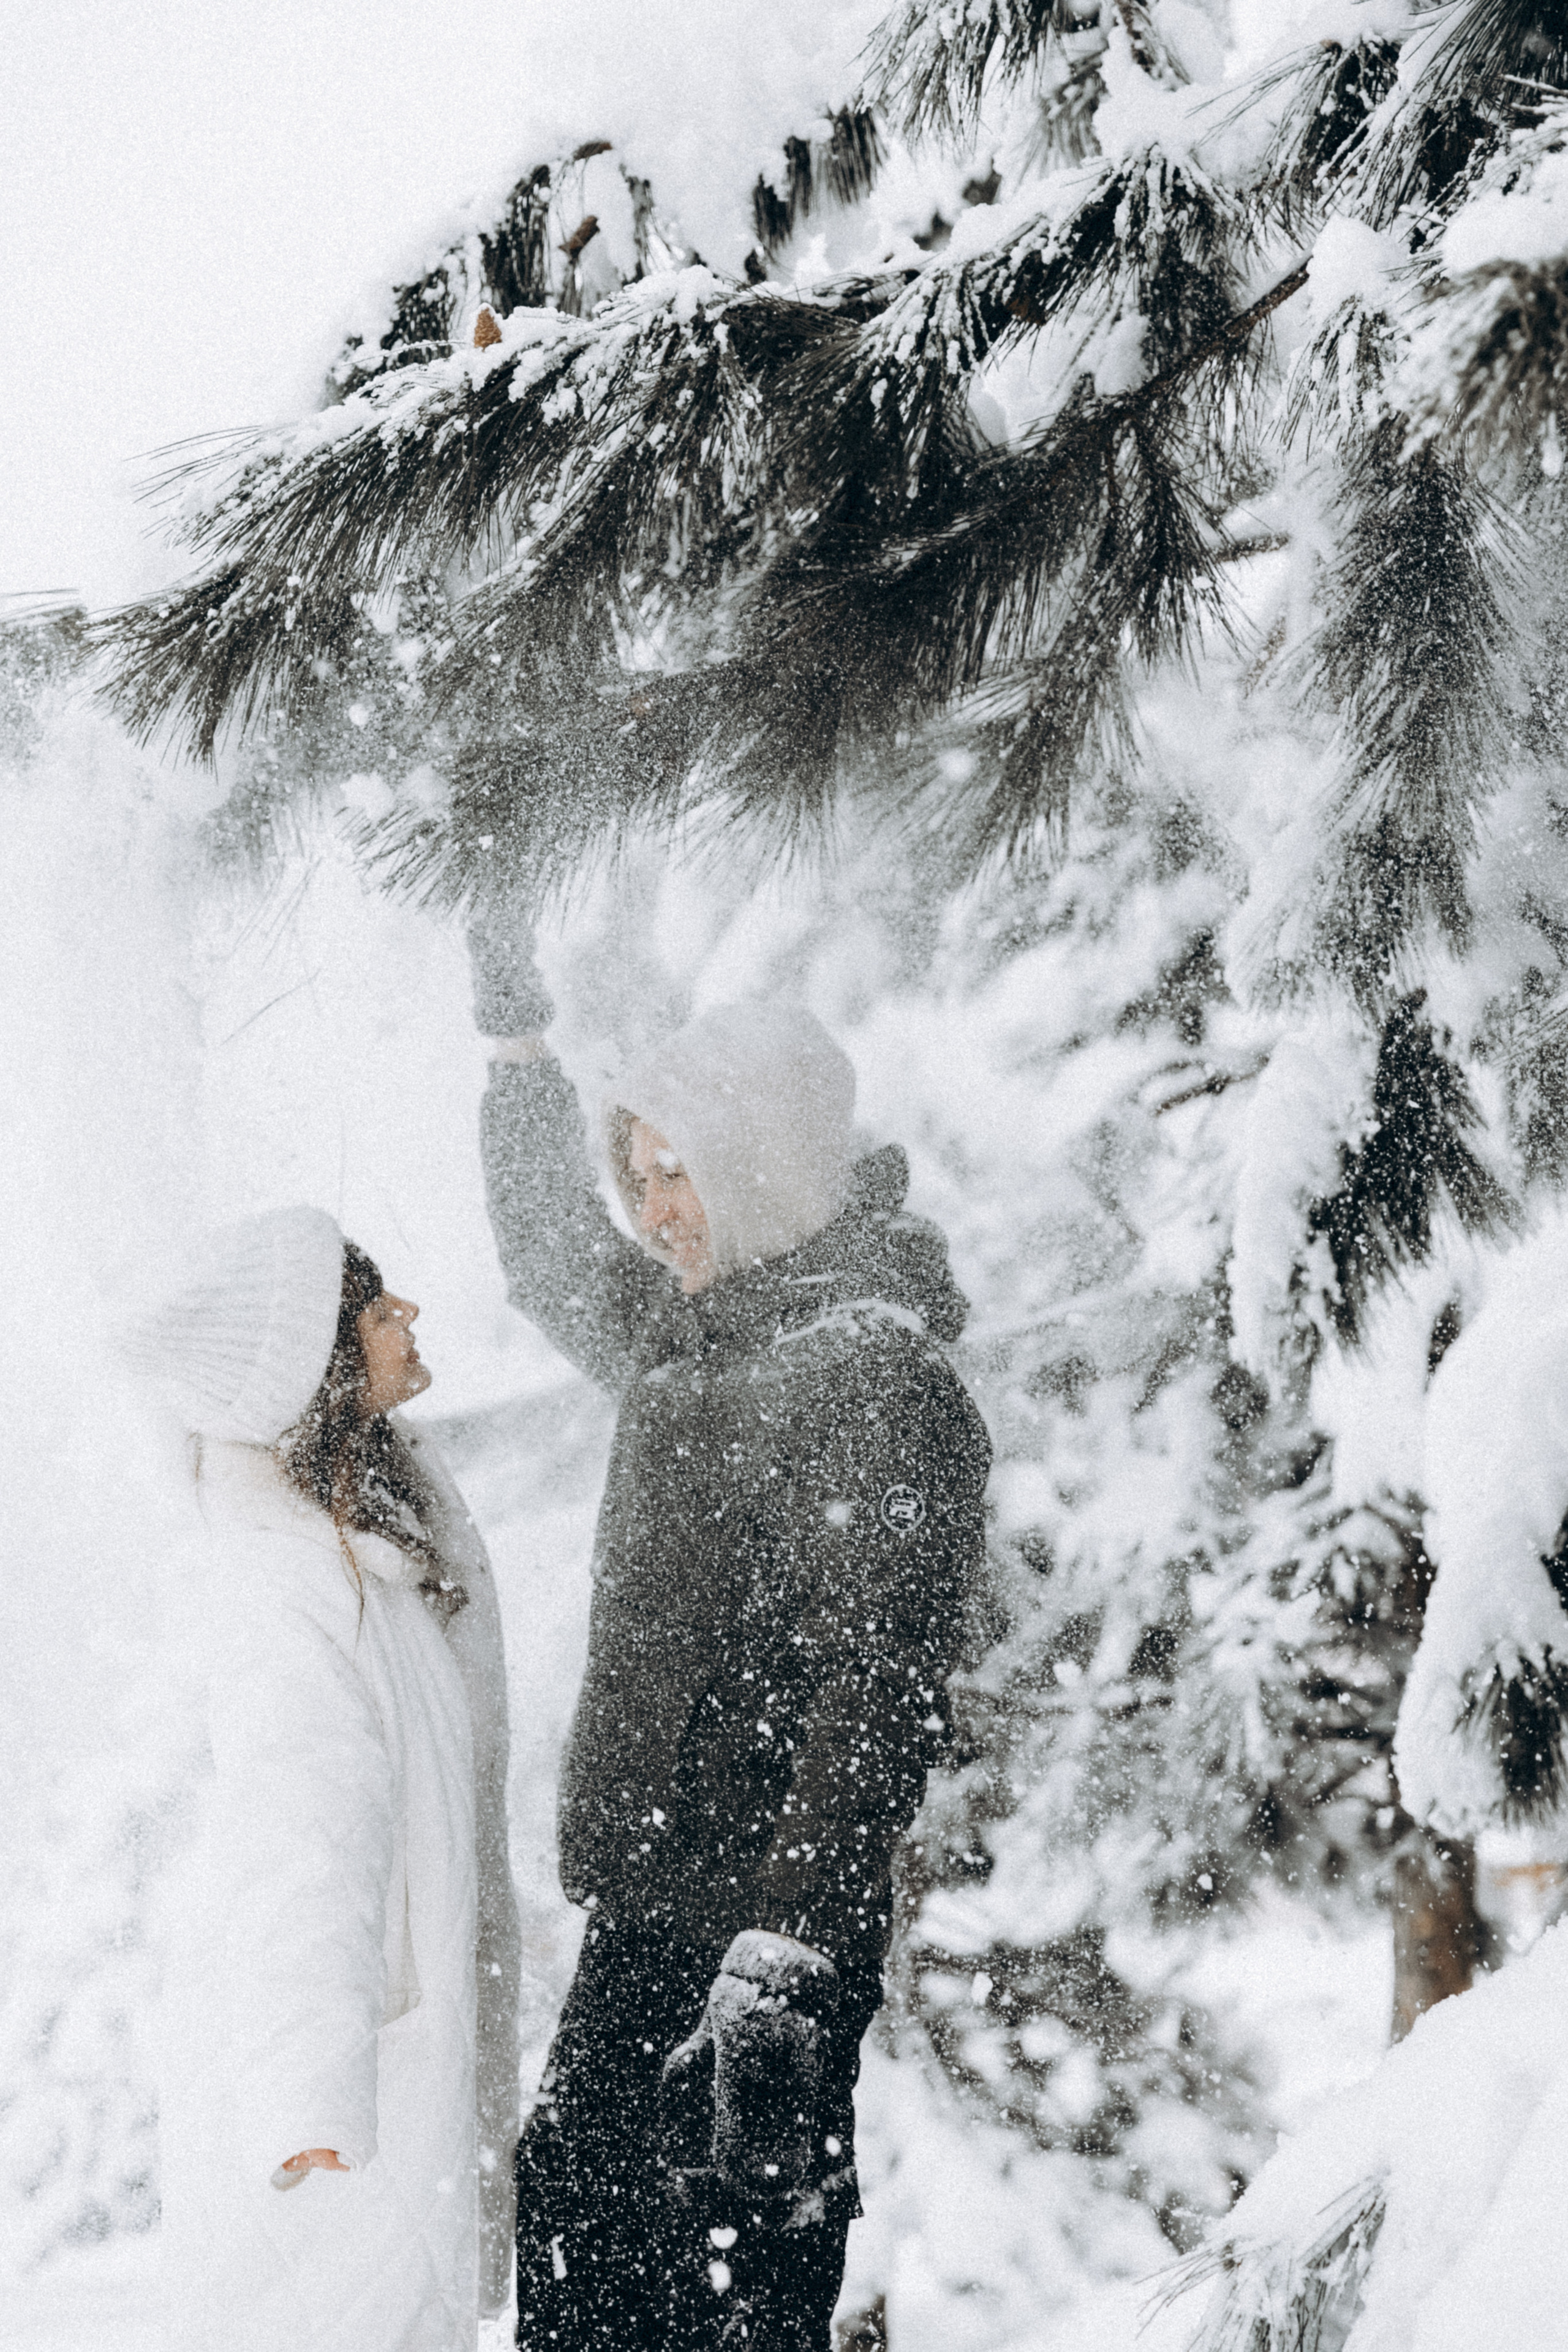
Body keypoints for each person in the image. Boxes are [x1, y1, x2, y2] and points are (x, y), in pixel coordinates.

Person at [473, 933, 992, 2352]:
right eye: (635, 1173)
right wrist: (516, 1044)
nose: (648, 1213)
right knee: (582, 2256)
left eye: (675, 1172)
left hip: (756, 1950)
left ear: (759, 1161)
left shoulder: (870, 1375)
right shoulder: (693, 1340)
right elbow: (543, 1247)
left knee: (719, 2304)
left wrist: (780, 1967)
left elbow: (870, 1698)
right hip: (646, 1912)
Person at [120, 1206, 521, 2352]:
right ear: (319, 1364)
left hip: (374, 2075)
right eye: (375, 1305)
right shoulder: (289, 1585)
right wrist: (310, 2092)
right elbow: (303, 1832)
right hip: (338, 2117)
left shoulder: (358, 1537)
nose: (407, 1315)